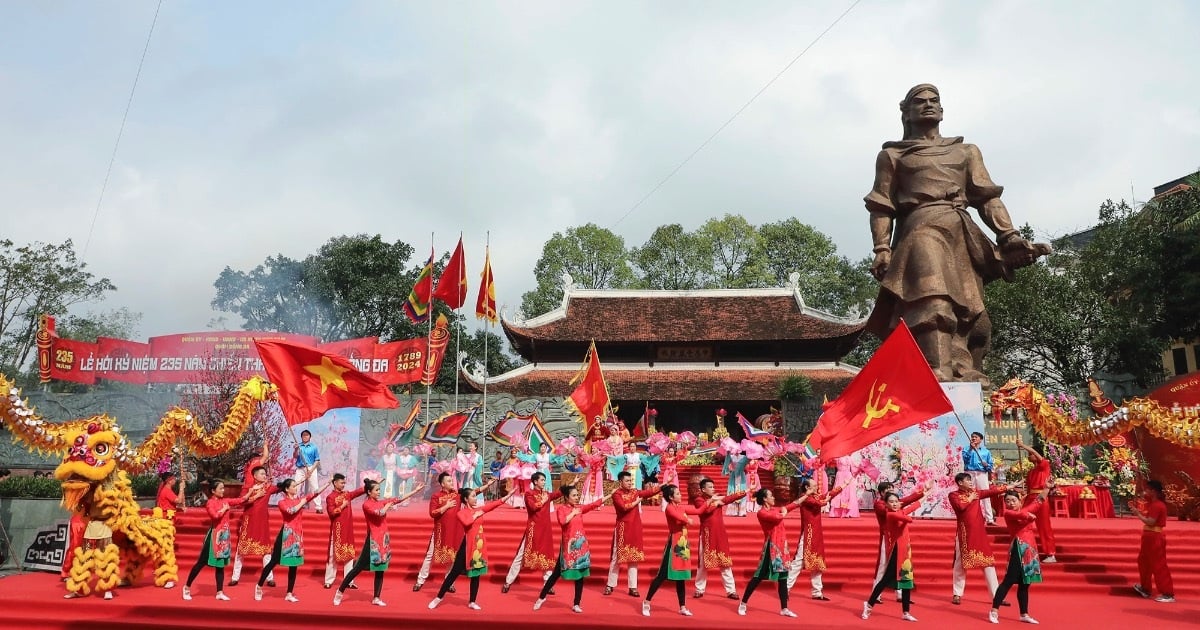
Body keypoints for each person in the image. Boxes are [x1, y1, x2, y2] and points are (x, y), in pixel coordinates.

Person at [863, 83, 1051, 385]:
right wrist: (881, 248)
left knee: (973, 319)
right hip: (921, 229)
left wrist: (1009, 236)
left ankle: (963, 371)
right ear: (906, 112)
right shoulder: (893, 156)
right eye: (920, 101)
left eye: (934, 100)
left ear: (942, 109)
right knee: (932, 299)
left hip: (962, 235)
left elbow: (986, 197)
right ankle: (937, 373)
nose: (928, 105)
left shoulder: (966, 151)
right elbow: (881, 205)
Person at [333, 479, 424, 607]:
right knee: (357, 568)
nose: (379, 492)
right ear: (369, 492)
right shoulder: (367, 505)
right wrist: (387, 506)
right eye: (376, 490)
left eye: (379, 490)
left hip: (383, 540)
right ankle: (340, 591)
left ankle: (376, 597)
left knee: (381, 569)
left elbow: (399, 498)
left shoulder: (381, 502)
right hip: (373, 540)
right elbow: (380, 513)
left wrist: (415, 491)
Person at [428, 485, 515, 610]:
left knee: (476, 573)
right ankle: (438, 597)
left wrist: (507, 496)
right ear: (466, 499)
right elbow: (467, 522)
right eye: (473, 496)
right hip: (467, 544)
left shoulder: (479, 509)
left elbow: (494, 505)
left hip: (479, 545)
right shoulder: (461, 513)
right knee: (454, 573)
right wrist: (475, 515)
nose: (476, 499)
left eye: (476, 496)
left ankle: (472, 601)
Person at [533, 484, 615, 613]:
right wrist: (573, 513)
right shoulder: (562, 509)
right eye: (574, 495)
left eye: (577, 495)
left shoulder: (580, 508)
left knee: (580, 575)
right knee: (556, 574)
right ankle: (541, 597)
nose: (577, 498)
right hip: (568, 546)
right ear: (566, 497)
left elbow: (593, 505)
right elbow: (562, 521)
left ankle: (577, 603)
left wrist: (610, 495)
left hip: (581, 545)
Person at [183, 480, 263, 601]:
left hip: (224, 537)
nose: (223, 490)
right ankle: (187, 587)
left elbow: (240, 500)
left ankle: (219, 592)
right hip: (214, 536)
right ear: (213, 491)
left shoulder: (225, 501)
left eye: (223, 488)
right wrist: (224, 510)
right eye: (220, 488)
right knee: (201, 563)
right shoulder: (210, 503)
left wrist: (251, 492)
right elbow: (215, 516)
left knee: (220, 565)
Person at [255, 476, 330, 603]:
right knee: (273, 562)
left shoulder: (300, 499)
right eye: (293, 486)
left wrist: (328, 483)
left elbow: (315, 492)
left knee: (294, 566)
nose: (296, 488)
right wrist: (301, 503)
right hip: (285, 535)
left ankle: (289, 593)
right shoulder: (282, 502)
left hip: (297, 536)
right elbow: (291, 511)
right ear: (287, 489)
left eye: (296, 486)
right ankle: (259, 586)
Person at [502, 472, 574, 593]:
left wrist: (572, 484)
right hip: (533, 529)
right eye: (542, 480)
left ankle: (548, 584)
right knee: (521, 556)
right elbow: (533, 507)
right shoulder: (529, 494)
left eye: (544, 480)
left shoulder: (546, 494)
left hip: (545, 530)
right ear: (535, 482)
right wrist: (543, 501)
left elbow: (557, 494)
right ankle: (508, 582)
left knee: (548, 556)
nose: (544, 482)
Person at [641, 484, 705, 617]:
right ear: (671, 497)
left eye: (680, 493)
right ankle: (646, 602)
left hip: (683, 546)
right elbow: (679, 517)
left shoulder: (680, 507)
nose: (680, 495)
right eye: (677, 494)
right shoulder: (669, 508)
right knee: (661, 576)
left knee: (681, 577)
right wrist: (688, 519)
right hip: (674, 544)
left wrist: (710, 502)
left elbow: (698, 511)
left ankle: (682, 606)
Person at [737, 488, 802, 617]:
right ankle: (743, 603)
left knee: (783, 577)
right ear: (765, 499)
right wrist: (784, 512)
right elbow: (778, 517)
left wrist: (806, 495)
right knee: (758, 576)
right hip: (771, 547)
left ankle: (784, 608)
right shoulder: (762, 513)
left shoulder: (774, 509)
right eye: (771, 496)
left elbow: (792, 505)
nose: (773, 498)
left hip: (782, 547)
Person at [862, 492, 923, 622]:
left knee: (906, 581)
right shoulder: (891, 515)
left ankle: (905, 612)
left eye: (896, 501)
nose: (895, 504)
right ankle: (868, 605)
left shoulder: (899, 512)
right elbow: (908, 518)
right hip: (897, 550)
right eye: (891, 502)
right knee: (885, 580)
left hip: (906, 550)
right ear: (886, 504)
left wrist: (924, 496)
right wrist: (907, 508)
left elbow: (908, 509)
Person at [948, 472, 1007, 605]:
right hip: (964, 533)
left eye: (970, 480)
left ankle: (996, 596)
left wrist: (1008, 487)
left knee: (988, 563)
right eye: (967, 480)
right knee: (960, 563)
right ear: (960, 483)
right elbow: (959, 507)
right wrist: (970, 499)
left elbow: (990, 492)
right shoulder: (954, 495)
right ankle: (957, 594)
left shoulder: (976, 492)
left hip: (979, 533)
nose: (970, 482)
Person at [989, 489, 1046, 624]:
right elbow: (1023, 514)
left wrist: (1047, 488)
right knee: (1008, 581)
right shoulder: (1009, 513)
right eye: (1007, 501)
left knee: (1025, 583)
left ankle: (1024, 613)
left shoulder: (1024, 510)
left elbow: (1038, 501)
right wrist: (1030, 516)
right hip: (1018, 548)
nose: (1010, 503)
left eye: (1013, 500)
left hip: (1030, 549)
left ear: (1020, 500)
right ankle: (994, 610)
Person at [414, 472, 478, 591]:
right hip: (440, 531)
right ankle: (420, 580)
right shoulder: (436, 496)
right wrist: (446, 506)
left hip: (455, 531)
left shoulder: (458, 494)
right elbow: (432, 513)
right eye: (448, 481)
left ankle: (449, 582)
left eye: (451, 480)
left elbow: (473, 493)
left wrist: (488, 485)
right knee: (430, 555)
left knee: (452, 556)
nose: (451, 482)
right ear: (442, 484)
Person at [605, 470, 662, 597]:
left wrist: (663, 485)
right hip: (622, 528)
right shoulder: (617, 494)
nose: (630, 483)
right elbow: (624, 507)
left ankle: (633, 587)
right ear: (620, 482)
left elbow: (649, 492)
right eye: (627, 481)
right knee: (617, 558)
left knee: (633, 558)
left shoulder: (635, 491)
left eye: (631, 480)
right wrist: (637, 502)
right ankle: (610, 585)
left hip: (635, 528)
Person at [787, 476, 846, 600]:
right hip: (808, 534)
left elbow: (826, 495)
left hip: (816, 534)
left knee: (817, 562)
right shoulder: (805, 498)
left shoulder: (814, 496)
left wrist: (843, 485)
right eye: (814, 486)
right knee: (799, 561)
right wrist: (827, 500)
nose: (817, 487)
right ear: (807, 487)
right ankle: (785, 588)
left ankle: (817, 592)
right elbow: (820, 503)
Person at [872, 480, 928, 604]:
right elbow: (900, 507)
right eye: (888, 490)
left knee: (902, 565)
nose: (891, 493)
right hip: (887, 538)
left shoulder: (894, 503)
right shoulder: (880, 504)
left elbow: (907, 501)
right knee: (883, 565)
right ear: (881, 493)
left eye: (892, 490)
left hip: (899, 538)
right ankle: (875, 595)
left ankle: (901, 594)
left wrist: (923, 493)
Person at [692, 477, 745, 599]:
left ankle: (731, 590)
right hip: (707, 534)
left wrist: (746, 490)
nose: (712, 489)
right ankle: (699, 589)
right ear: (703, 489)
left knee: (725, 562)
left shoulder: (717, 497)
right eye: (710, 487)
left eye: (713, 487)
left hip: (720, 534)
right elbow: (706, 511)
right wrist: (715, 502)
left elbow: (730, 498)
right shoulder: (699, 500)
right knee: (703, 563)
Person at [230, 444, 274, 587]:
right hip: (249, 521)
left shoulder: (267, 487)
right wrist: (266, 446)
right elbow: (242, 502)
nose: (264, 475)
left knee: (266, 550)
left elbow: (282, 486)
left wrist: (294, 482)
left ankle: (269, 577)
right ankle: (235, 577)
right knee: (241, 549)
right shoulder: (249, 486)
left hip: (262, 523)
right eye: (262, 473)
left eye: (265, 474)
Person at [1131, 480, 1175, 603]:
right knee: (1144, 562)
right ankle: (1145, 588)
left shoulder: (1157, 505)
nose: (1145, 492)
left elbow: (1150, 521)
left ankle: (1167, 593)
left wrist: (1138, 514)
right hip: (1149, 536)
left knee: (1159, 565)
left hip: (1155, 536)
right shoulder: (1152, 502)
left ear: (1153, 491)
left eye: (1148, 490)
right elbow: (1141, 494)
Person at [1016, 436, 1056, 562]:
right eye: (1028, 454)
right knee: (1021, 521)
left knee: (1044, 526)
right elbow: (1028, 489)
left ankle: (1050, 554)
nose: (1029, 456)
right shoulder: (1031, 472)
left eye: (1030, 454)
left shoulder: (1045, 465)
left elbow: (1038, 456)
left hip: (1041, 498)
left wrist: (1023, 446)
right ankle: (1023, 548)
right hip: (1030, 498)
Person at [324, 472, 365, 589]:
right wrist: (342, 506)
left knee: (349, 555)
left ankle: (349, 580)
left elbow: (357, 492)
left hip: (347, 529)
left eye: (344, 482)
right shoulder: (330, 497)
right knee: (333, 555)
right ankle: (329, 580)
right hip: (337, 529)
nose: (343, 485)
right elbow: (331, 513)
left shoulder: (347, 494)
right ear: (335, 483)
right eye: (341, 483)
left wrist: (367, 486)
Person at [963, 432, 996, 524]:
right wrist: (970, 449)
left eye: (975, 437)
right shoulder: (966, 449)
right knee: (969, 494)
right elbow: (965, 459)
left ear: (980, 440)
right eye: (972, 437)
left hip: (981, 473)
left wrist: (987, 465)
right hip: (970, 473)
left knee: (985, 494)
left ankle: (989, 519)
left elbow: (990, 466)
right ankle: (969, 517)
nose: (973, 438)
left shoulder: (986, 451)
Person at [292, 429, 323, 513]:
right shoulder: (298, 446)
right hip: (300, 469)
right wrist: (295, 450)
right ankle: (293, 504)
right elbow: (295, 456)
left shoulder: (313, 447)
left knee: (314, 487)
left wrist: (311, 470)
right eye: (303, 435)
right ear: (301, 437)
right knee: (295, 485)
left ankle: (318, 506)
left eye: (307, 435)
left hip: (311, 467)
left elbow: (317, 460)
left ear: (310, 437)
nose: (305, 436)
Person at [722, 451, 749, 517]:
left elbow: (747, 465)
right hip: (733, 475)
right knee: (733, 491)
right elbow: (727, 463)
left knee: (742, 491)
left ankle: (742, 512)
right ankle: (733, 511)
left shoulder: (744, 457)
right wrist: (728, 454)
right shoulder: (731, 456)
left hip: (741, 475)